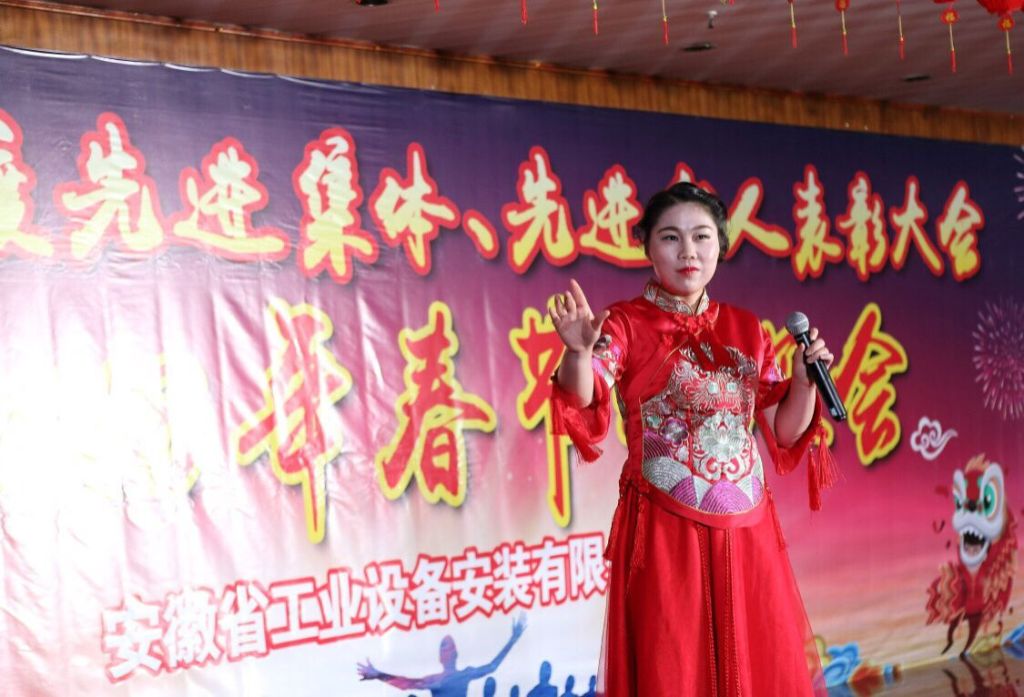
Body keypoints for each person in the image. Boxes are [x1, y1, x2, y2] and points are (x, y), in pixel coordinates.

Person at [548, 182, 836, 696]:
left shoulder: (748, 329)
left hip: (747, 528)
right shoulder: (624, 324)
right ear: (646, 247)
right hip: (666, 528)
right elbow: (586, 393)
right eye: (670, 237)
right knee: (675, 664)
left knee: (759, 663)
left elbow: (785, 430)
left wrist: (804, 381)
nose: (688, 251)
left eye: (702, 237)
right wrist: (577, 353)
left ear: (720, 245)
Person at [356, 614, 525, 697]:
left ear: (456, 653)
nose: (447, 651)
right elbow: (407, 683)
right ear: (440, 656)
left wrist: (513, 639)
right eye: (443, 647)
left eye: (449, 647)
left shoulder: (465, 674)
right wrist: (379, 675)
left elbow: (492, 666)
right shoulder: (433, 680)